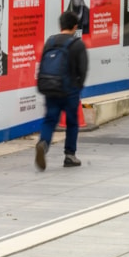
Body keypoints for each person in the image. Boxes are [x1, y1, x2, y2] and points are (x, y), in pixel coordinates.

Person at [35, 11, 90, 171]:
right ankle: (69, 155)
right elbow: (83, 70)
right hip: (69, 90)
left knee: (50, 119)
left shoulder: (50, 42)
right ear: (74, 26)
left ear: (61, 25)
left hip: (50, 88)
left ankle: (43, 143)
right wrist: (77, 87)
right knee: (72, 123)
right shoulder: (77, 44)